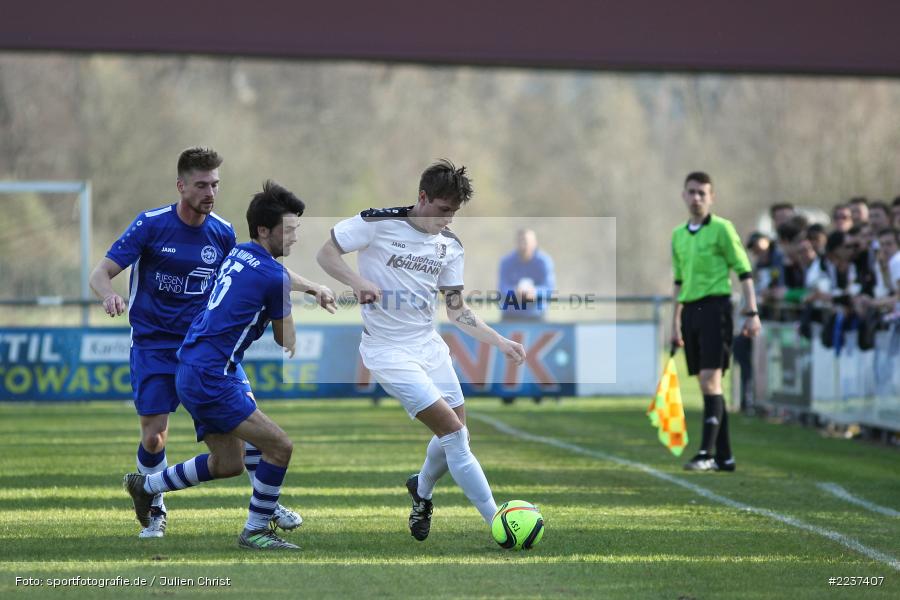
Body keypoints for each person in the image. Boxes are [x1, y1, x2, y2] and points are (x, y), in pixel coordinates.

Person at [91, 147, 330, 538]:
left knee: (236, 446)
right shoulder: (151, 225)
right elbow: (101, 273)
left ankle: (263, 498)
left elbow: (258, 266)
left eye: (215, 184)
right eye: (202, 184)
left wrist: (311, 286)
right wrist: (108, 295)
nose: (210, 192)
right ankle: (157, 508)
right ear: (181, 185)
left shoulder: (221, 231)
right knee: (155, 435)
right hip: (155, 344)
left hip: (204, 344)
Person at [316, 159, 526, 542]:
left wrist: (500, 341)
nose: (448, 221)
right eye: (444, 211)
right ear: (423, 198)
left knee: (456, 435)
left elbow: (457, 310)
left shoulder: (449, 245)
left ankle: (422, 492)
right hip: (388, 352)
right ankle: (498, 522)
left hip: (429, 347)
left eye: (455, 214)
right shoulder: (376, 223)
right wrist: (356, 280)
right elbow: (326, 254)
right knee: (454, 435)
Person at [670, 172, 761, 472]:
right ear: (683, 195)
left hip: (716, 309)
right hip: (691, 312)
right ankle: (725, 456)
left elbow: (743, 270)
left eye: (702, 193)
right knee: (707, 383)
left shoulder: (723, 229)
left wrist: (752, 312)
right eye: (692, 192)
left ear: (712, 197)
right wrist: (675, 323)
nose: (697, 198)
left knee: (711, 379)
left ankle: (705, 453)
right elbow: (679, 282)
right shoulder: (678, 235)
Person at [497, 228, 556, 321]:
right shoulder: (506, 262)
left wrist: (534, 292)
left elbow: (549, 287)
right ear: (516, 243)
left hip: (536, 315)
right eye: (521, 241)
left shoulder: (544, 262)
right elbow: (502, 286)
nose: (524, 245)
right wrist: (515, 292)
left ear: (535, 243)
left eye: (527, 242)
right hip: (510, 315)